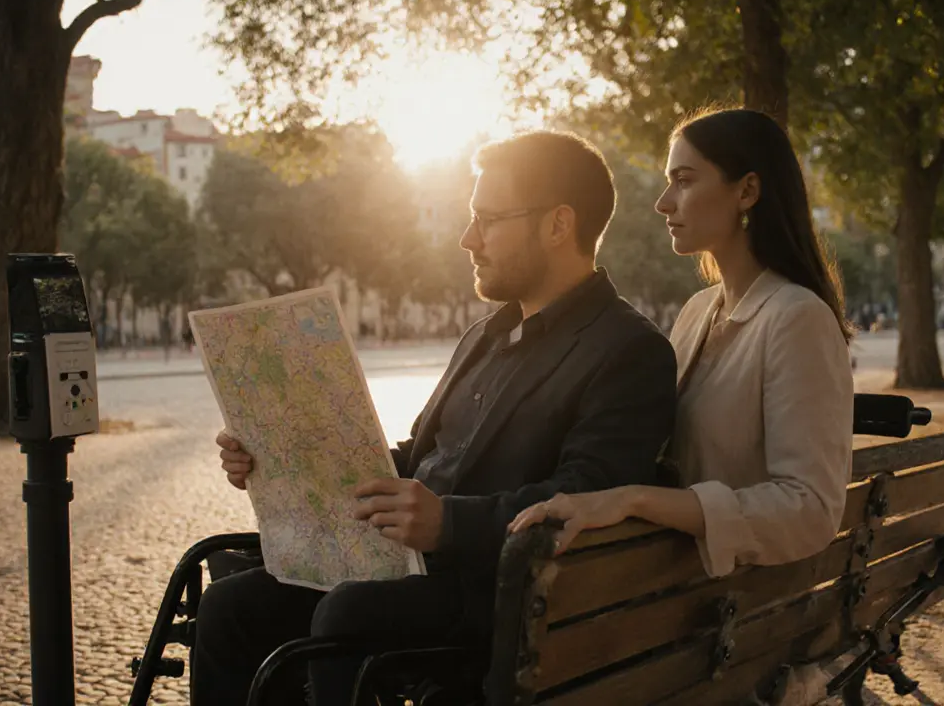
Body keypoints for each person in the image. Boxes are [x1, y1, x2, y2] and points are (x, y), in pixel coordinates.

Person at [193, 130, 679, 706]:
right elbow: (418, 457)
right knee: (229, 604)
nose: (468, 239)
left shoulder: (629, 349)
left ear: (558, 225)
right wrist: (282, 460)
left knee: (346, 612)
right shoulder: (485, 334)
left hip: (498, 596)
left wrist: (448, 523)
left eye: (489, 220)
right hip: (405, 568)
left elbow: (591, 496)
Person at [510, 109, 855, 702]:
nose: (663, 202)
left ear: (747, 190)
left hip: (726, 619)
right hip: (675, 597)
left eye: (685, 180)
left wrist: (637, 500)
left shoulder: (797, 318)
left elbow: (809, 508)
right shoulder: (698, 311)